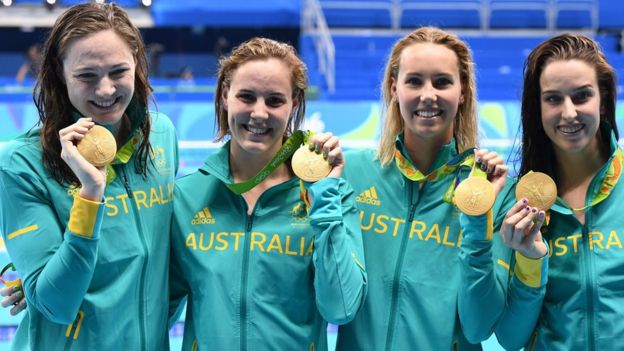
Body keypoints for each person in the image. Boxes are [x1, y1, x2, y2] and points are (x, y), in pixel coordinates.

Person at [168, 37, 367, 350]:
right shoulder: (186, 197)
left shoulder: (328, 195)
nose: (259, 113)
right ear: (224, 95)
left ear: (295, 104)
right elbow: (157, 310)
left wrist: (325, 199)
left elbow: (340, 307)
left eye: (274, 100)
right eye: (246, 97)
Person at [0, 3, 178, 350]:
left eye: (118, 71)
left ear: (138, 66)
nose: (106, 90)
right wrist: (91, 195)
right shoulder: (21, 163)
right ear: (59, 75)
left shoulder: (161, 135)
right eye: (87, 76)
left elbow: (167, 256)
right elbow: (56, 304)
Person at [335, 27, 509, 350]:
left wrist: (476, 220)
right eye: (414, 81)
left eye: (442, 82)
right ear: (394, 89)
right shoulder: (351, 174)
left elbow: (479, 327)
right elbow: (334, 301)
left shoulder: (492, 190)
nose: (428, 94)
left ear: (463, 92)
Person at [462, 33, 622, 351]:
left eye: (581, 96)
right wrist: (531, 259)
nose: (569, 113)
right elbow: (510, 339)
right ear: (537, 106)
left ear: (603, 99)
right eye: (553, 99)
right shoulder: (519, 203)